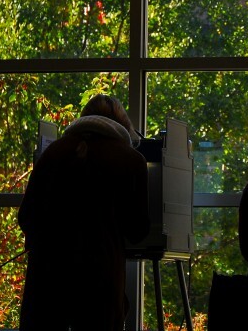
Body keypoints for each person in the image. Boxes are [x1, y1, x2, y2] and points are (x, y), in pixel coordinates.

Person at [18, 94, 150, 331]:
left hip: (47, 280)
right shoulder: (132, 160)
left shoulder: (53, 153)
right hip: (100, 282)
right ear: (123, 125)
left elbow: (26, 217)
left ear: (84, 117)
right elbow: (137, 230)